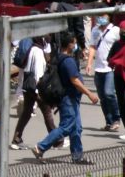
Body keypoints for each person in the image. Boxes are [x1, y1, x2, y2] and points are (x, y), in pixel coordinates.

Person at [33, 32, 99, 162]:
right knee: (67, 126)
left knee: (76, 128)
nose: (75, 46)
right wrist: (90, 94)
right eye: (74, 43)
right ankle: (40, 147)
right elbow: (75, 81)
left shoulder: (58, 57)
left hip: (69, 98)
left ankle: (77, 156)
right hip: (68, 98)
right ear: (69, 44)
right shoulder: (68, 61)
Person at [12, 37, 55, 148]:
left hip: (27, 86)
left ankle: (16, 138)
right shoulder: (39, 52)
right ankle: (57, 139)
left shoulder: (31, 49)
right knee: (47, 112)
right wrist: (39, 91)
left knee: (27, 112)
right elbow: (38, 73)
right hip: (35, 88)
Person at [88, 15, 122, 131]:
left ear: (109, 17)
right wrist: (89, 63)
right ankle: (109, 121)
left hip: (110, 69)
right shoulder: (95, 30)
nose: (100, 18)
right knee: (102, 97)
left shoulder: (115, 30)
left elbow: (122, 45)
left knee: (109, 93)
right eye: (99, 15)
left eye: (103, 16)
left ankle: (116, 118)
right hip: (98, 68)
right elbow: (92, 47)